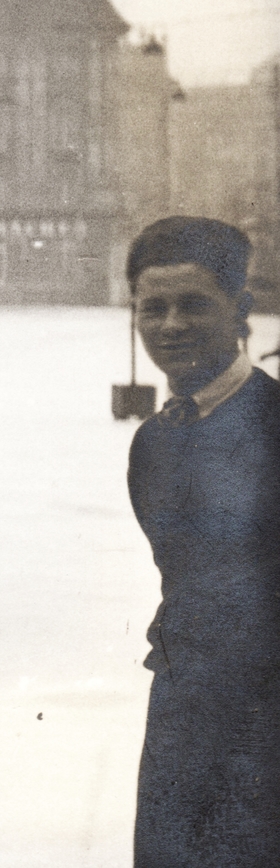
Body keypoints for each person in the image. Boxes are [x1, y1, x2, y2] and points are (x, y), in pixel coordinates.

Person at [124, 216, 280, 866]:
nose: (170, 326)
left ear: (241, 309)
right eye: (152, 308)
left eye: (193, 304)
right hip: (183, 716)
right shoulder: (154, 441)